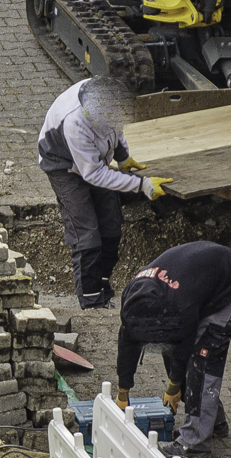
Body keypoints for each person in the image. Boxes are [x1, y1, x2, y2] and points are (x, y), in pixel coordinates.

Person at [35, 76, 173, 309]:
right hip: (63, 166)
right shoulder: (75, 122)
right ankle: (91, 302)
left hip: (94, 160)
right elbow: (94, 175)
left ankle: (102, 287)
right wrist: (142, 185)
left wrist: (123, 156)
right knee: (86, 233)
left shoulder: (109, 97)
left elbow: (115, 131)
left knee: (111, 227)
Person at [115, 240, 231, 458]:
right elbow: (127, 342)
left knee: (203, 359)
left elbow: (182, 348)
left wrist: (174, 387)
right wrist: (122, 393)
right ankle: (214, 423)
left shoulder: (180, 306)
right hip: (200, 285)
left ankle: (195, 442)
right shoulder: (132, 298)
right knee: (175, 349)